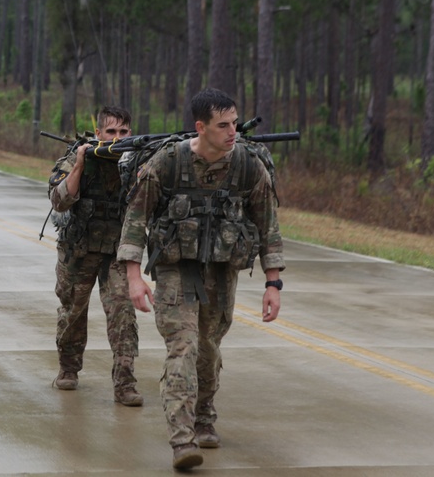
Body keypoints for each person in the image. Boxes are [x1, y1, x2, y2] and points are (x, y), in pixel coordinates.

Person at [117, 88, 285, 470]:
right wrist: (133, 277)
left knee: (208, 349)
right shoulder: (168, 163)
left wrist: (273, 283)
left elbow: (268, 224)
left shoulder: (248, 165)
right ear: (201, 127)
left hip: (222, 271)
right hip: (177, 269)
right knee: (183, 347)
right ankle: (182, 439)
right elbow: (136, 219)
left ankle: (205, 413)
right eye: (223, 125)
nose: (232, 132)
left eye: (235, 124)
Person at [48, 106, 142, 407]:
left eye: (123, 132)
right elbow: (59, 201)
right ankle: (68, 368)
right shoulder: (78, 157)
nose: (117, 138)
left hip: (117, 251)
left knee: (123, 315)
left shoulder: (137, 160)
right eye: (111, 132)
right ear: (99, 133)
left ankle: (125, 383)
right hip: (79, 249)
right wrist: (78, 164)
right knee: (72, 312)